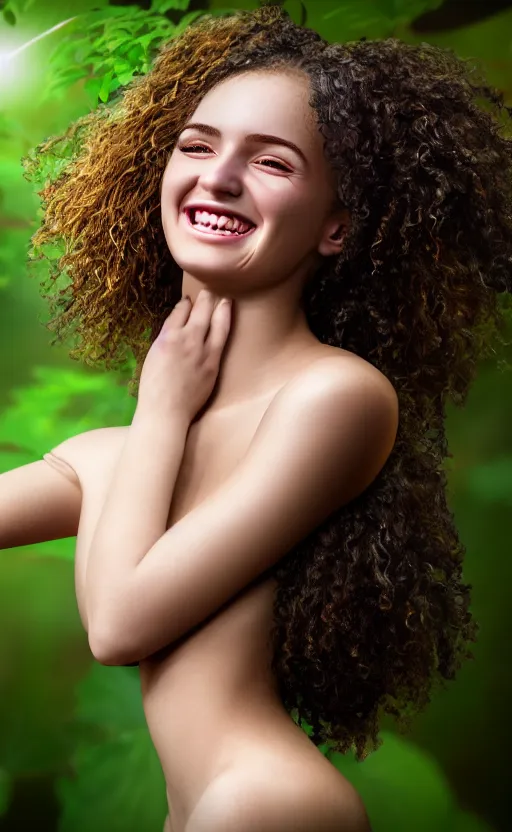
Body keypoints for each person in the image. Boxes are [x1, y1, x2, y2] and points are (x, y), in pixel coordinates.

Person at [6, 3, 512, 830]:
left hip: (266, 803)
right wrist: (155, 427)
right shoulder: (119, 458)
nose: (217, 177)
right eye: (196, 146)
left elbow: (120, 623)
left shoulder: (338, 398)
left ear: (338, 228)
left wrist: (164, 408)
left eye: (271, 162)